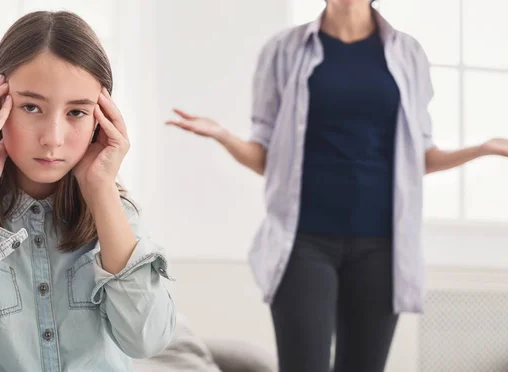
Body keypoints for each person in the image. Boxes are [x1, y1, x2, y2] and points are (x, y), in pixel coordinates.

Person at [166, 0, 508, 371]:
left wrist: (482, 148)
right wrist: (223, 136)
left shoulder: (407, 53)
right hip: (302, 244)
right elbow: (268, 160)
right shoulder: (284, 49)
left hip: (383, 247)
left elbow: (419, 157)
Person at [0, 11, 176, 372]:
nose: (53, 138)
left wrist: (101, 191)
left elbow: (148, 340)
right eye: (31, 107)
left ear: (103, 117)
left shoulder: (117, 214)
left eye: (77, 112)